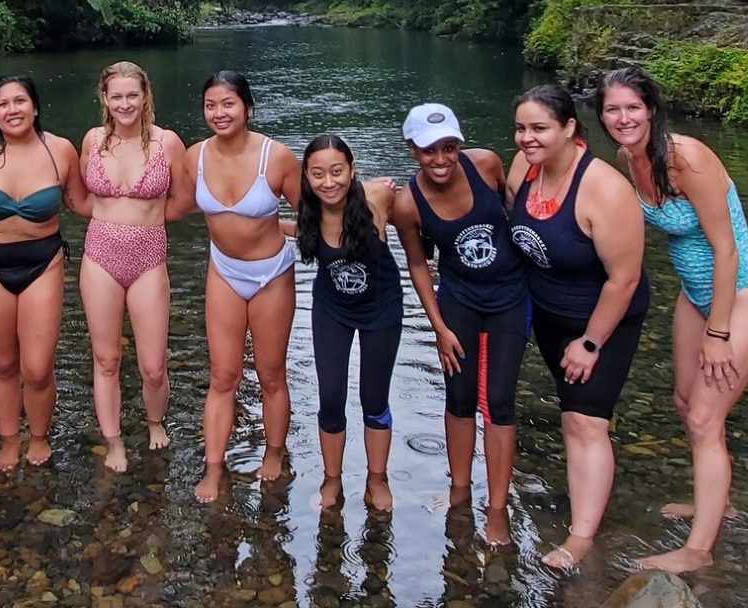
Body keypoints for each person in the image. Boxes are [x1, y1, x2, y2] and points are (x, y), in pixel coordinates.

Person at [596, 66, 748, 573]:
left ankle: (698, 551)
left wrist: (719, 333)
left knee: (704, 415)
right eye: (613, 109)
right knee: (684, 401)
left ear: (651, 109)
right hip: (694, 295)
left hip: (742, 293)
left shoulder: (686, 157)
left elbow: (726, 250)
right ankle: (716, 501)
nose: (623, 118)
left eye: (633, 107)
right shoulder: (628, 159)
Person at [506, 84, 650, 571]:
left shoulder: (605, 189)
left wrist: (590, 343)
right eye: (521, 128)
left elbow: (624, 277)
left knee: (584, 420)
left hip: (603, 320)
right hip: (548, 314)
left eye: (540, 128)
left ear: (570, 128)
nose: (528, 138)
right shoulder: (524, 167)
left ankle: (582, 537)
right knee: (574, 409)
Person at [391, 103, 528, 546]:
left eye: (449, 148)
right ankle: (459, 490)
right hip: (459, 301)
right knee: (460, 396)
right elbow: (417, 264)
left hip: (509, 295)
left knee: (501, 401)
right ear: (413, 149)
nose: (441, 159)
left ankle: (498, 507)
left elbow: (518, 217)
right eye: (430, 150)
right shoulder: (407, 204)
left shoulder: (486, 165)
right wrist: (439, 327)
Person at [182, 70, 302, 503]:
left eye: (228, 104)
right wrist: (116, 209)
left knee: (270, 373)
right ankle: (214, 468)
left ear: (248, 108)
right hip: (224, 272)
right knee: (223, 375)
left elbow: (312, 214)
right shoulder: (194, 156)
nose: (219, 113)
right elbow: (174, 206)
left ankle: (273, 452)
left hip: (271, 273)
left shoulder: (278, 157)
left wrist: (371, 210)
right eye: (211, 105)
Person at [0, 74, 86, 471]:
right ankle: (9, 439)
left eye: (20, 101)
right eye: (3, 104)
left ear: (35, 106)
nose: (12, 109)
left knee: (36, 367)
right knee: (1, 363)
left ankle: (38, 435)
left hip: (43, 260)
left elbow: (82, 203)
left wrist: (143, 212)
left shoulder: (61, 150)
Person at [77, 61, 189, 473]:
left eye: (132, 95)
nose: (125, 103)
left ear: (145, 97)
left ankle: (155, 421)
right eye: (116, 96)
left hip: (148, 256)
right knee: (106, 359)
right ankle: (114, 441)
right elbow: (81, 197)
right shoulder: (92, 140)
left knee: (153, 365)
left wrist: (150, 220)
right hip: (100, 255)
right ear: (104, 99)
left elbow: (184, 200)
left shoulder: (167, 143)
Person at [294, 134, 404, 512]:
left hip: (381, 308)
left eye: (337, 172)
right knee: (330, 396)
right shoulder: (306, 214)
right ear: (307, 177)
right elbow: (275, 230)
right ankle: (332, 480)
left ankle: (377, 479)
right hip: (331, 310)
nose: (329, 182)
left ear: (352, 171)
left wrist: (384, 187)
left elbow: (392, 193)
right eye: (318, 174)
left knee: (374, 398)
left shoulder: (373, 204)